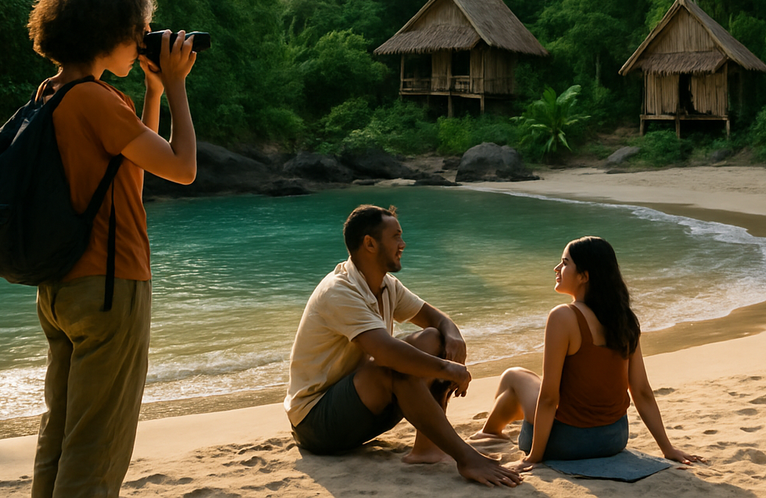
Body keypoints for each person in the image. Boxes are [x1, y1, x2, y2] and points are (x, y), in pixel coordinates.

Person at [27, 0, 199, 497]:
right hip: (110, 286)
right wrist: (175, 86)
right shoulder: (98, 101)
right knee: (97, 446)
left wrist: (150, 92)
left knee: (59, 434)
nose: (142, 43)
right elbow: (183, 167)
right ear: (113, 32)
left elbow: (126, 177)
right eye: (139, 32)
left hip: (60, 288)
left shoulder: (53, 93)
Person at [284, 204, 524, 488]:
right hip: (316, 423)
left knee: (434, 338)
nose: (403, 243)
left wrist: (453, 335)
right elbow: (386, 353)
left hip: (362, 408)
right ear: (370, 244)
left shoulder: (387, 285)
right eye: (396, 236)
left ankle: (427, 449)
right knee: (393, 368)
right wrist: (448, 369)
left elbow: (434, 318)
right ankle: (466, 458)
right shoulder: (339, 291)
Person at [472, 236, 702, 470]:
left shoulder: (563, 317)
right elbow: (641, 391)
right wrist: (667, 449)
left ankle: (490, 433)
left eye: (564, 262)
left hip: (568, 443)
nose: (557, 268)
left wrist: (534, 457)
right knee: (520, 389)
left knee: (514, 376)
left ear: (584, 275)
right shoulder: (624, 319)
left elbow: (550, 397)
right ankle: (490, 432)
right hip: (614, 438)